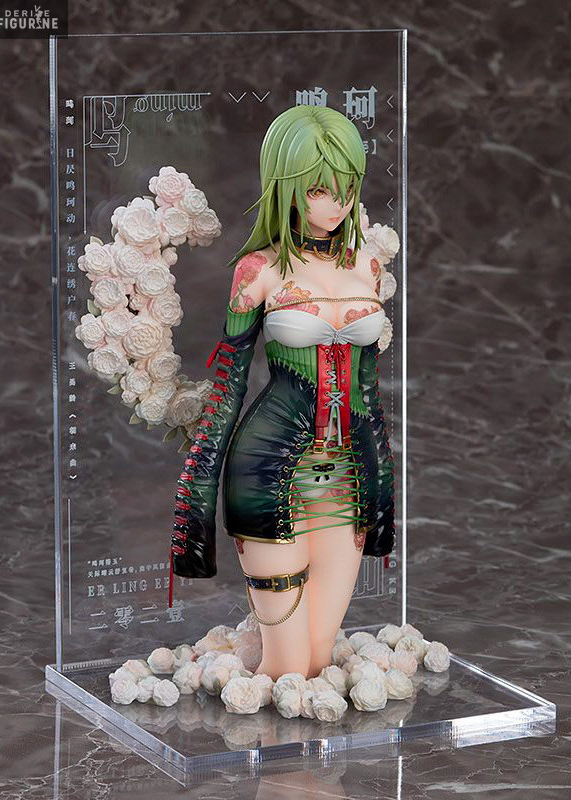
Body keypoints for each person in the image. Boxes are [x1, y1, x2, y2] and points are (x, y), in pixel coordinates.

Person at [170, 105, 395, 679]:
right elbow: (227, 388)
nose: (336, 203)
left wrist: (384, 497)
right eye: (319, 189)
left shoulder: (367, 266)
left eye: (346, 187)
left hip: (348, 480)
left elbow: (369, 393)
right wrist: (194, 509)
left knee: (319, 659)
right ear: (286, 186)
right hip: (269, 471)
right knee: (288, 666)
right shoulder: (259, 270)